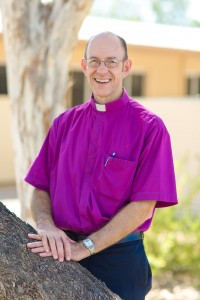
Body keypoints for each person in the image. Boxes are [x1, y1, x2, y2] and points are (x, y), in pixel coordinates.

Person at [25, 31, 178, 300]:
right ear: (84, 67)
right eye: (94, 61)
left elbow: (143, 207)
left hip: (120, 263)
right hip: (61, 253)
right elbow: (40, 187)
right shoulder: (64, 124)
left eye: (111, 61)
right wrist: (47, 226)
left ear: (126, 67)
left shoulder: (150, 128)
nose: (102, 69)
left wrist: (85, 247)